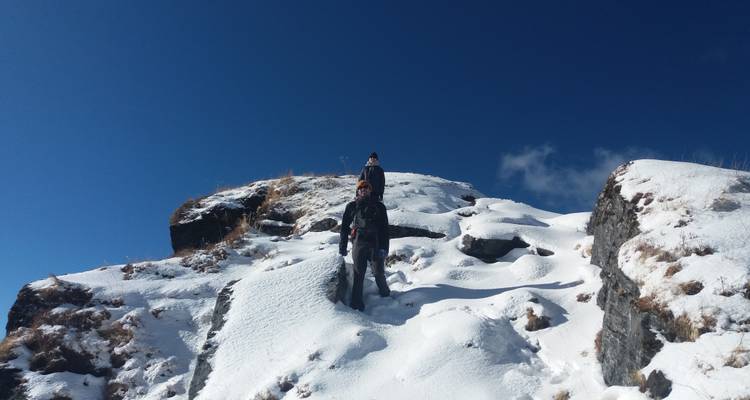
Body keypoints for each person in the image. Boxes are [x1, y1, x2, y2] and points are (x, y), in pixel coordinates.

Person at [339, 180, 390, 311]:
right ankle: (356, 305)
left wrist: (385, 248)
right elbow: (344, 227)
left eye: (366, 187)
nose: (364, 189)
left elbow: (384, 228)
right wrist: (342, 246)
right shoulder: (352, 206)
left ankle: (386, 295)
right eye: (361, 188)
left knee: (378, 271)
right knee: (358, 273)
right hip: (358, 241)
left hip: (375, 242)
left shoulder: (379, 206)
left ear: (370, 190)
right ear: (357, 190)